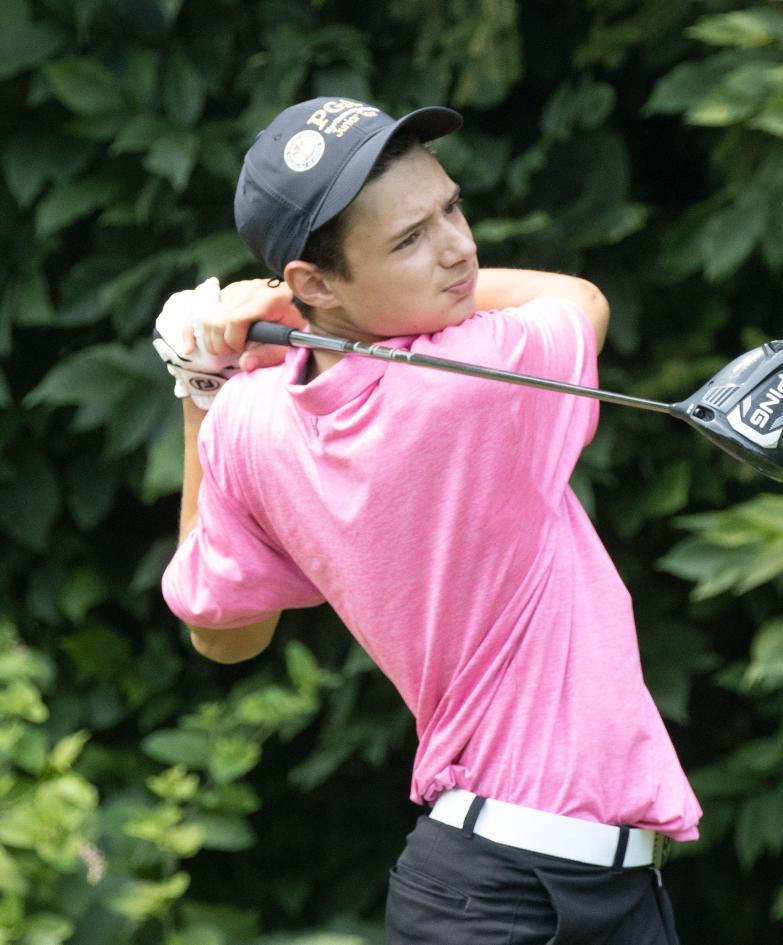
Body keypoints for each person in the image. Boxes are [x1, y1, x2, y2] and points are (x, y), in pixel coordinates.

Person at [154, 96, 701, 943]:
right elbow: (579, 297)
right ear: (313, 281)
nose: (458, 248)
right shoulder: (474, 378)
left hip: (513, 888)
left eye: (451, 207)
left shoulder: (250, 420)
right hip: (524, 896)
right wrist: (300, 330)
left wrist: (201, 383)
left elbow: (220, 631)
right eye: (410, 239)